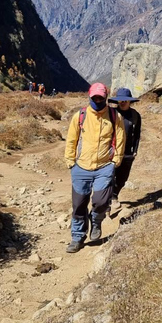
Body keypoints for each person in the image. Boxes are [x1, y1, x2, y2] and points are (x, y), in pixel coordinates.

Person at [63, 83, 125, 253]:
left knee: (101, 201)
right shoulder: (80, 116)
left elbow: (120, 139)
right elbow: (71, 140)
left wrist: (115, 161)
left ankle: (96, 221)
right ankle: (77, 237)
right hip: (81, 167)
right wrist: (70, 161)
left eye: (100, 98)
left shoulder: (114, 116)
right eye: (94, 98)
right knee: (78, 205)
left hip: (104, 166)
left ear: (105, 98)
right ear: (90, 97)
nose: (97, 100)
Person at [107, 88, 142, 213]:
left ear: (129, 101)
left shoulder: (135, 116)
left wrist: (135, 150)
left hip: (128, 152)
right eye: (120, 100)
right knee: (110, 175)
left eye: (125, 100)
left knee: (123, 178)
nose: (122, 102)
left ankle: (114, 195)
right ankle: (109, 199)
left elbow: (137, 134)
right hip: (112, 151)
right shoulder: (111, 114)